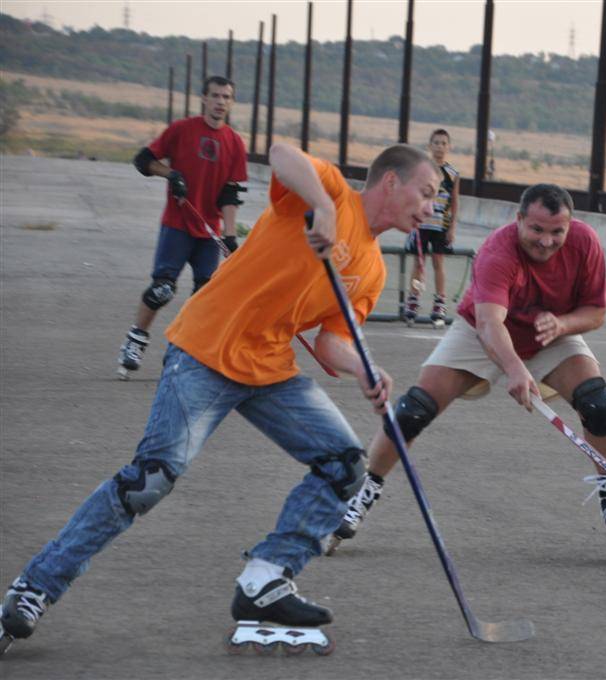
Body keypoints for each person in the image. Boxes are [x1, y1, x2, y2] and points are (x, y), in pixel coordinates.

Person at [0, 142, 439, 651]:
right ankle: (33, 588)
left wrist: (366, 369)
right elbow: (280, 154)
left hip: (269, 368)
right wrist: (319, 203)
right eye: (426, 192)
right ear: (390, 182)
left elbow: (331, 342)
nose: (431, 206)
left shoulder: (373, 269)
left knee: (345, 464)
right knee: (150, 480)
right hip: (204, 351)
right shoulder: (332, 195)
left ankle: (266, 578)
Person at [324, 183, 606, 558]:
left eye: (557, 231)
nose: (546, 241)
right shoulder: (498, 250)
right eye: (536, 230)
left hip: (549, 332)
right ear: (519, 219)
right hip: (482, 331)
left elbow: (596, 312)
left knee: (597, 403)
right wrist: (514, 369)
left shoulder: (585, 244)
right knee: (413, 410)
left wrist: (562, 325)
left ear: (570, 226)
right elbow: (490, 323)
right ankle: (364, 490)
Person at [117, 75, 248, 380]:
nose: (220, 102)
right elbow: (143, 160)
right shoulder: (182, 130)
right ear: (204, 99)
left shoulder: (234, 142)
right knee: (162, 289)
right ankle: (135, 341)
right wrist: (170, 174)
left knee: (204, 299)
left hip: (209, 230)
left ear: (231, 103)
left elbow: (231, 193)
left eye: (226, 97)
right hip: (177, 225)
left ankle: (179, 352)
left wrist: (230, 237)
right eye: (215, 96)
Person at [403, 128, 459, 327]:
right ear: (429, 146)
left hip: (440, 225)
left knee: (438, 263)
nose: (440, 147)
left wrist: (452, 228)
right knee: (419, 263)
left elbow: (454, 203)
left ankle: (439, 302)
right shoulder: (422, 169)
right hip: (421, 223)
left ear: (449, 147)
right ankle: (413, 299)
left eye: (444, 143)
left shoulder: (452, 174)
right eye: (436, 143)